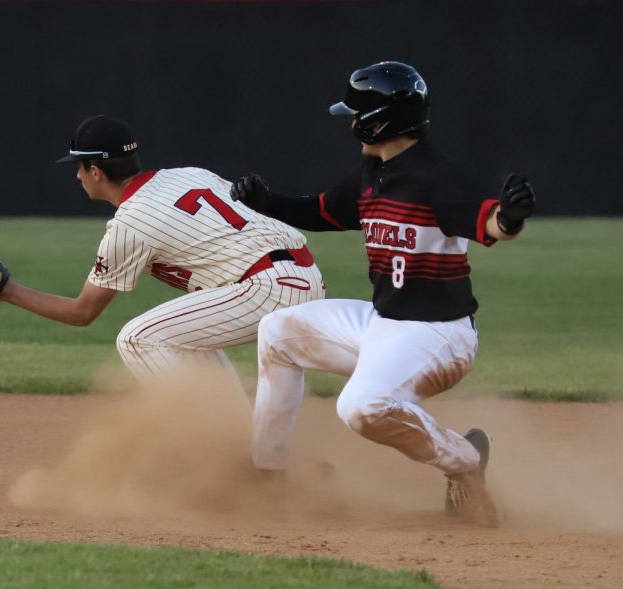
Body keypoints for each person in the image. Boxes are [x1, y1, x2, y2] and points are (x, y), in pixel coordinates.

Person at [229, 61, 535, 522]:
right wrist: (268, 203)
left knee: (360, 407)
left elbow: (491, 222)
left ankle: (466, 458)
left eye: (356, 113)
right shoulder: (373, 170)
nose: (350, 122)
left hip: (438, 336)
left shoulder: (437, 177)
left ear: (379, 120)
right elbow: (325, 211)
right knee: (277, 332)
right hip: (384, 323)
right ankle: (268, 474)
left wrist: (510, 217)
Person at [0, 114, 324, 392]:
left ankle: (221, 445)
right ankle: (247, 448)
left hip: (267, 287)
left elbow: (82, 312)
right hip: (305, 273)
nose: (77, 176)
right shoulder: (188, 174)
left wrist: (6, 290)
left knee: (139, 339)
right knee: (180, 340)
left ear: (95, 171)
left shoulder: (131, 222)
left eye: (79, 167)